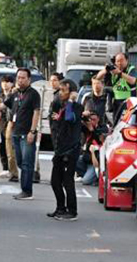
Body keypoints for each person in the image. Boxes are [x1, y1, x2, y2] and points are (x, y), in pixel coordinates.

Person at [49, 79, 84, 221]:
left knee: (67, 181)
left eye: (64, 91)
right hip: (60, 148)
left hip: (71, 149)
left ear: (71, 93)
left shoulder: (76, 107)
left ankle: (72, 210)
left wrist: (71, 101)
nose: (60, 93)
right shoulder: (60, 106)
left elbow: (70, 118)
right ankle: (60, 208)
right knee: (55, 181)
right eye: (60, 90)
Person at [3, 68, 41, 200]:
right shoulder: (16, 94)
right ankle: (25, 187)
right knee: (20, 161)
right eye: (18, 77)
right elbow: (3, 106)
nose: (20, 80)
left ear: (29, 79)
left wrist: (32, 131)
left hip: (27, 133)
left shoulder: (33, 94)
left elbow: (36, 113)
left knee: (27, 163)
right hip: (16, 132)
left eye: (23, 77)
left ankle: (27, 191)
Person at [96, 53, 137, 123]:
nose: (119, 63)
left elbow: (132, 80)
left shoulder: (131, 69)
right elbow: (98, 77)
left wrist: (120, 73)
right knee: (115, 123)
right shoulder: (113, 70)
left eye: (121, 60)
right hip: (116, 102)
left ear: (126, 61)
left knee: (126, 123)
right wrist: (105, 70)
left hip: (128, 102)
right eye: (117, 61)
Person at [76, 111, 107, 186]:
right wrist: (82, 115)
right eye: (90, 119)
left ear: (98, 119)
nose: (92, 121)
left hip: (95, 161)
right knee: (72, 158)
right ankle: (84, 174)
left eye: (94, 119)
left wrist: (92, 130)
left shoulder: (103, 127)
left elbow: (100, 138)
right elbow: (76, 123)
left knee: (86, 181)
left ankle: (95, 177)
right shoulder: (86, 126)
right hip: (86, 158)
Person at [0, 74, 19, 183]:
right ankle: (10, 170)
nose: (5, 84)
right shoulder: (2, 96)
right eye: (3, 82)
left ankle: (32, 172)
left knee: (18, 150)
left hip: (16, 124)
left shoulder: (16, 94)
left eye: (8, 82)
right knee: (5, 149)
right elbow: (1, 108)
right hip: (5, 124)